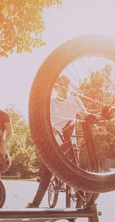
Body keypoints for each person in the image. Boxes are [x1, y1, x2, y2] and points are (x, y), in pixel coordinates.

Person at [27, 75, 87, 208]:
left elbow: (85, 115)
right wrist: (50, 128)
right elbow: (43, 119)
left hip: (69, 140)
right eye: (61, 83)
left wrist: (95, 123)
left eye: (67, 83)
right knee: (46, 173)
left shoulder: (75, 100)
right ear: (56, 87)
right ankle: (36, 203)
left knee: (76, 172)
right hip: (54, 140)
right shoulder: (51, 102)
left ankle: (81, 202)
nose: (64, 86)